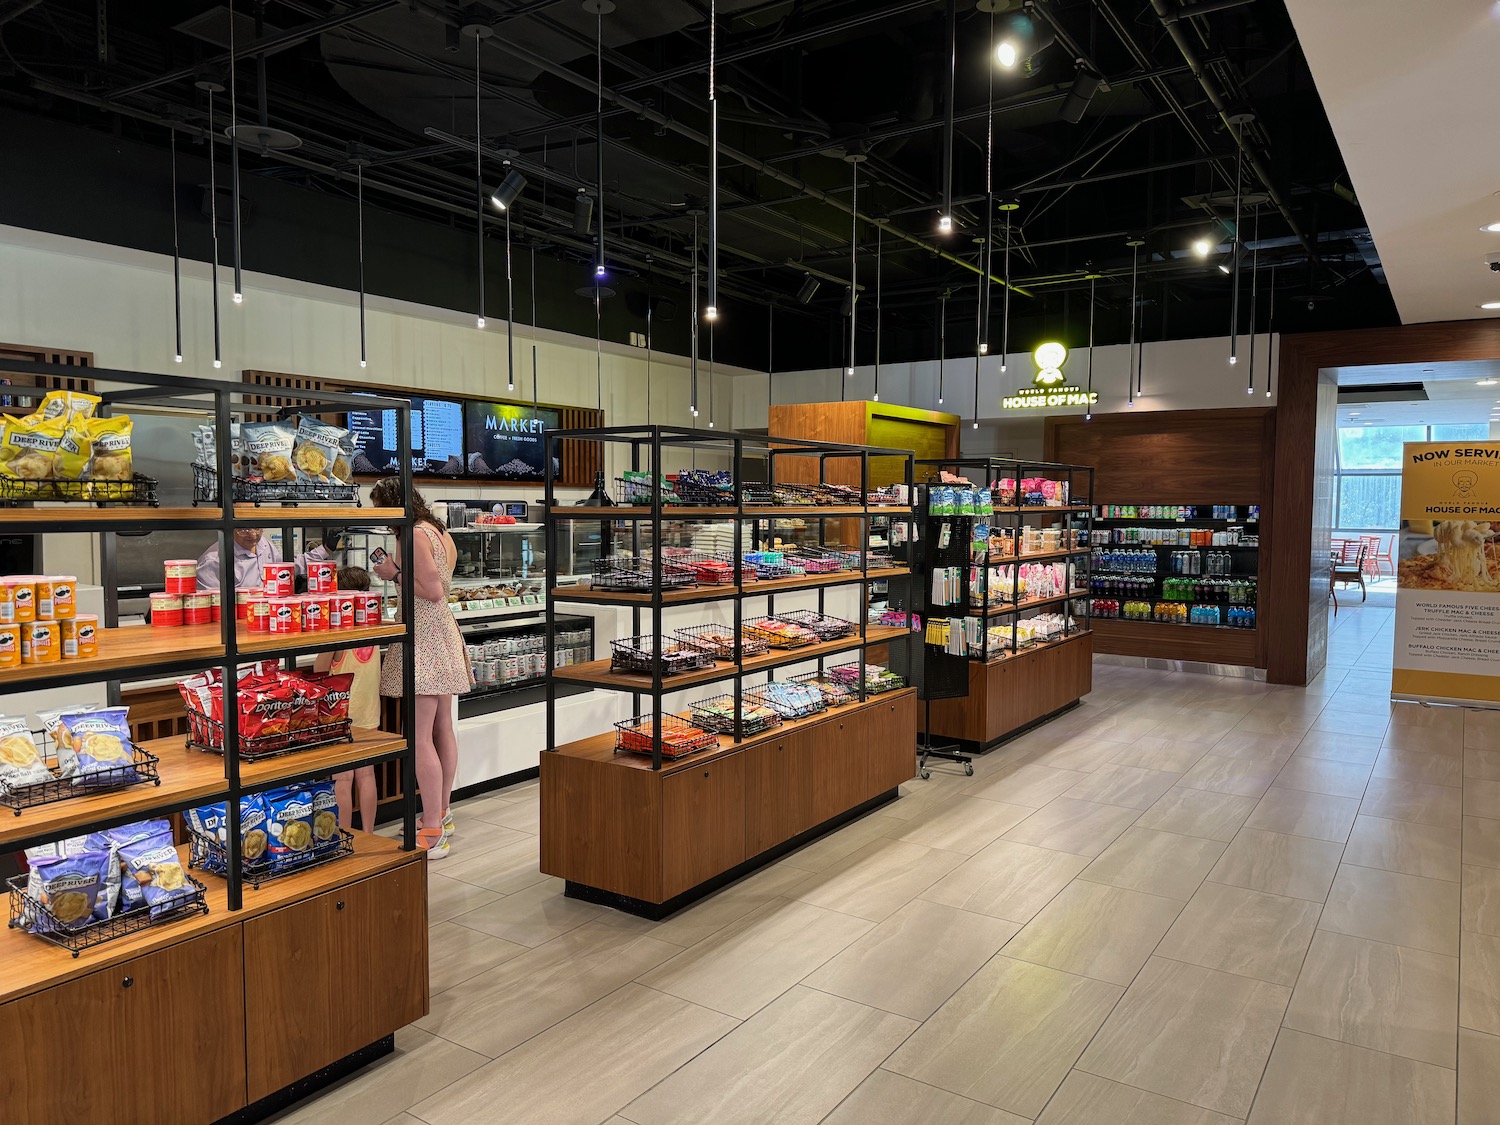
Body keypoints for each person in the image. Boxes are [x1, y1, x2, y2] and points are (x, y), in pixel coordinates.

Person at [369, 477, 472, 858]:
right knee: (442, 727)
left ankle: (431, 830)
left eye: (381, 507)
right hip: (440, 628)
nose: (381, 517)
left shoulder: (411, 534)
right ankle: (441, 814)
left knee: (419, 736)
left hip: (424, 634)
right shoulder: (436, 528)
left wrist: (392, 574)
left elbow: (431, 589)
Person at [319, 566, 382, 833]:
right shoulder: (373, 631)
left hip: (341, 717)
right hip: (370, 715)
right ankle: (368, 833)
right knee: (366, 774)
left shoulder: (339, 635)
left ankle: (344, 835)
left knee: (342, 780)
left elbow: (320, 671)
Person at [196, 526, 332, 592]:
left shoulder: (264, 545)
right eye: (243, 530)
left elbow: (287, 568)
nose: (253, 534)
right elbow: (211, 605)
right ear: (230, 527)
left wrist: (325, 550)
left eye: (257, 528)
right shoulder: (214, 561)